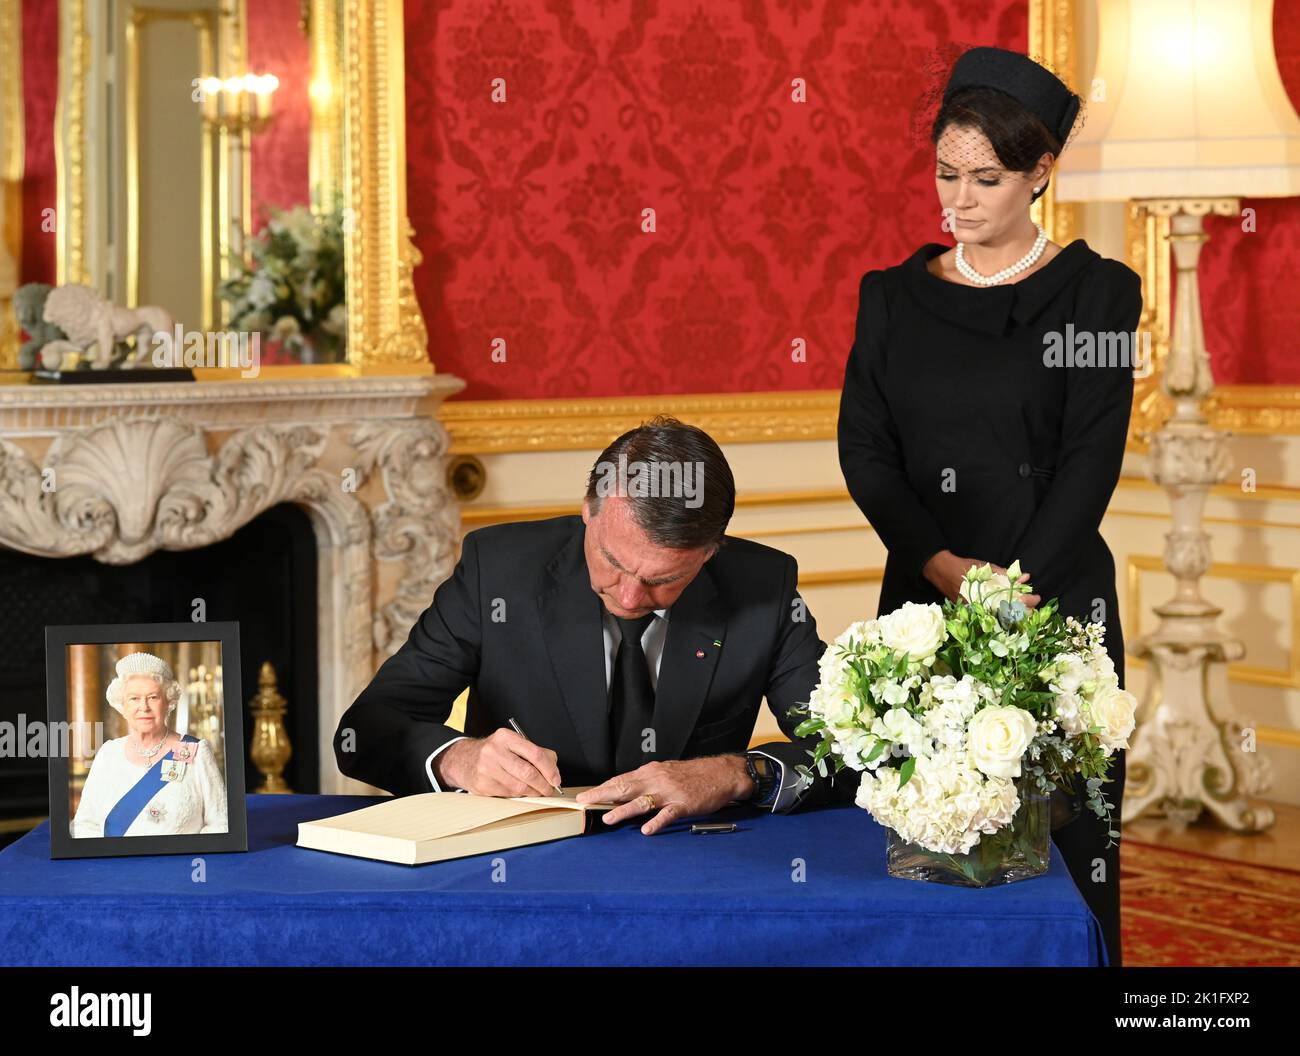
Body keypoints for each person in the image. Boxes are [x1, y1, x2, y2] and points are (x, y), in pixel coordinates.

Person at [836, 46, 1142, 966]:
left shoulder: (1097, 294)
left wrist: (1014, 587)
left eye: (986, 179)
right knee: (927, 841)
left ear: (1041, 172)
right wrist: (937, 565)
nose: (958, 201)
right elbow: (868, 450)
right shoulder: (890, 298)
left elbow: (1093, 459)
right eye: (944, 174)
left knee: (1064, 847)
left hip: (1053, 605)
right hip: (923, 604)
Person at [335, 415, 848, 834]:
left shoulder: (763, 586)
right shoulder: (498, 571)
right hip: (522, 858)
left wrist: (737, 773)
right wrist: (458, 759)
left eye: (663, 580)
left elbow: (855, 749)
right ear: (588, 509)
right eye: (613, 562)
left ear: (710, 553)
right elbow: (364, 731)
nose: (629, 597)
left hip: (690, 862)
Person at [71, 652, 228, 837]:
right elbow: (84, 824)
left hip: (178, 864)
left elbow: (221, 823)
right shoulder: (108, 753)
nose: (143, 707)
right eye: (134, 698)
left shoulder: (196, 751)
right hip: (117, 865)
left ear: (168, 702)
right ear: (123, 705)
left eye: (153, 697)